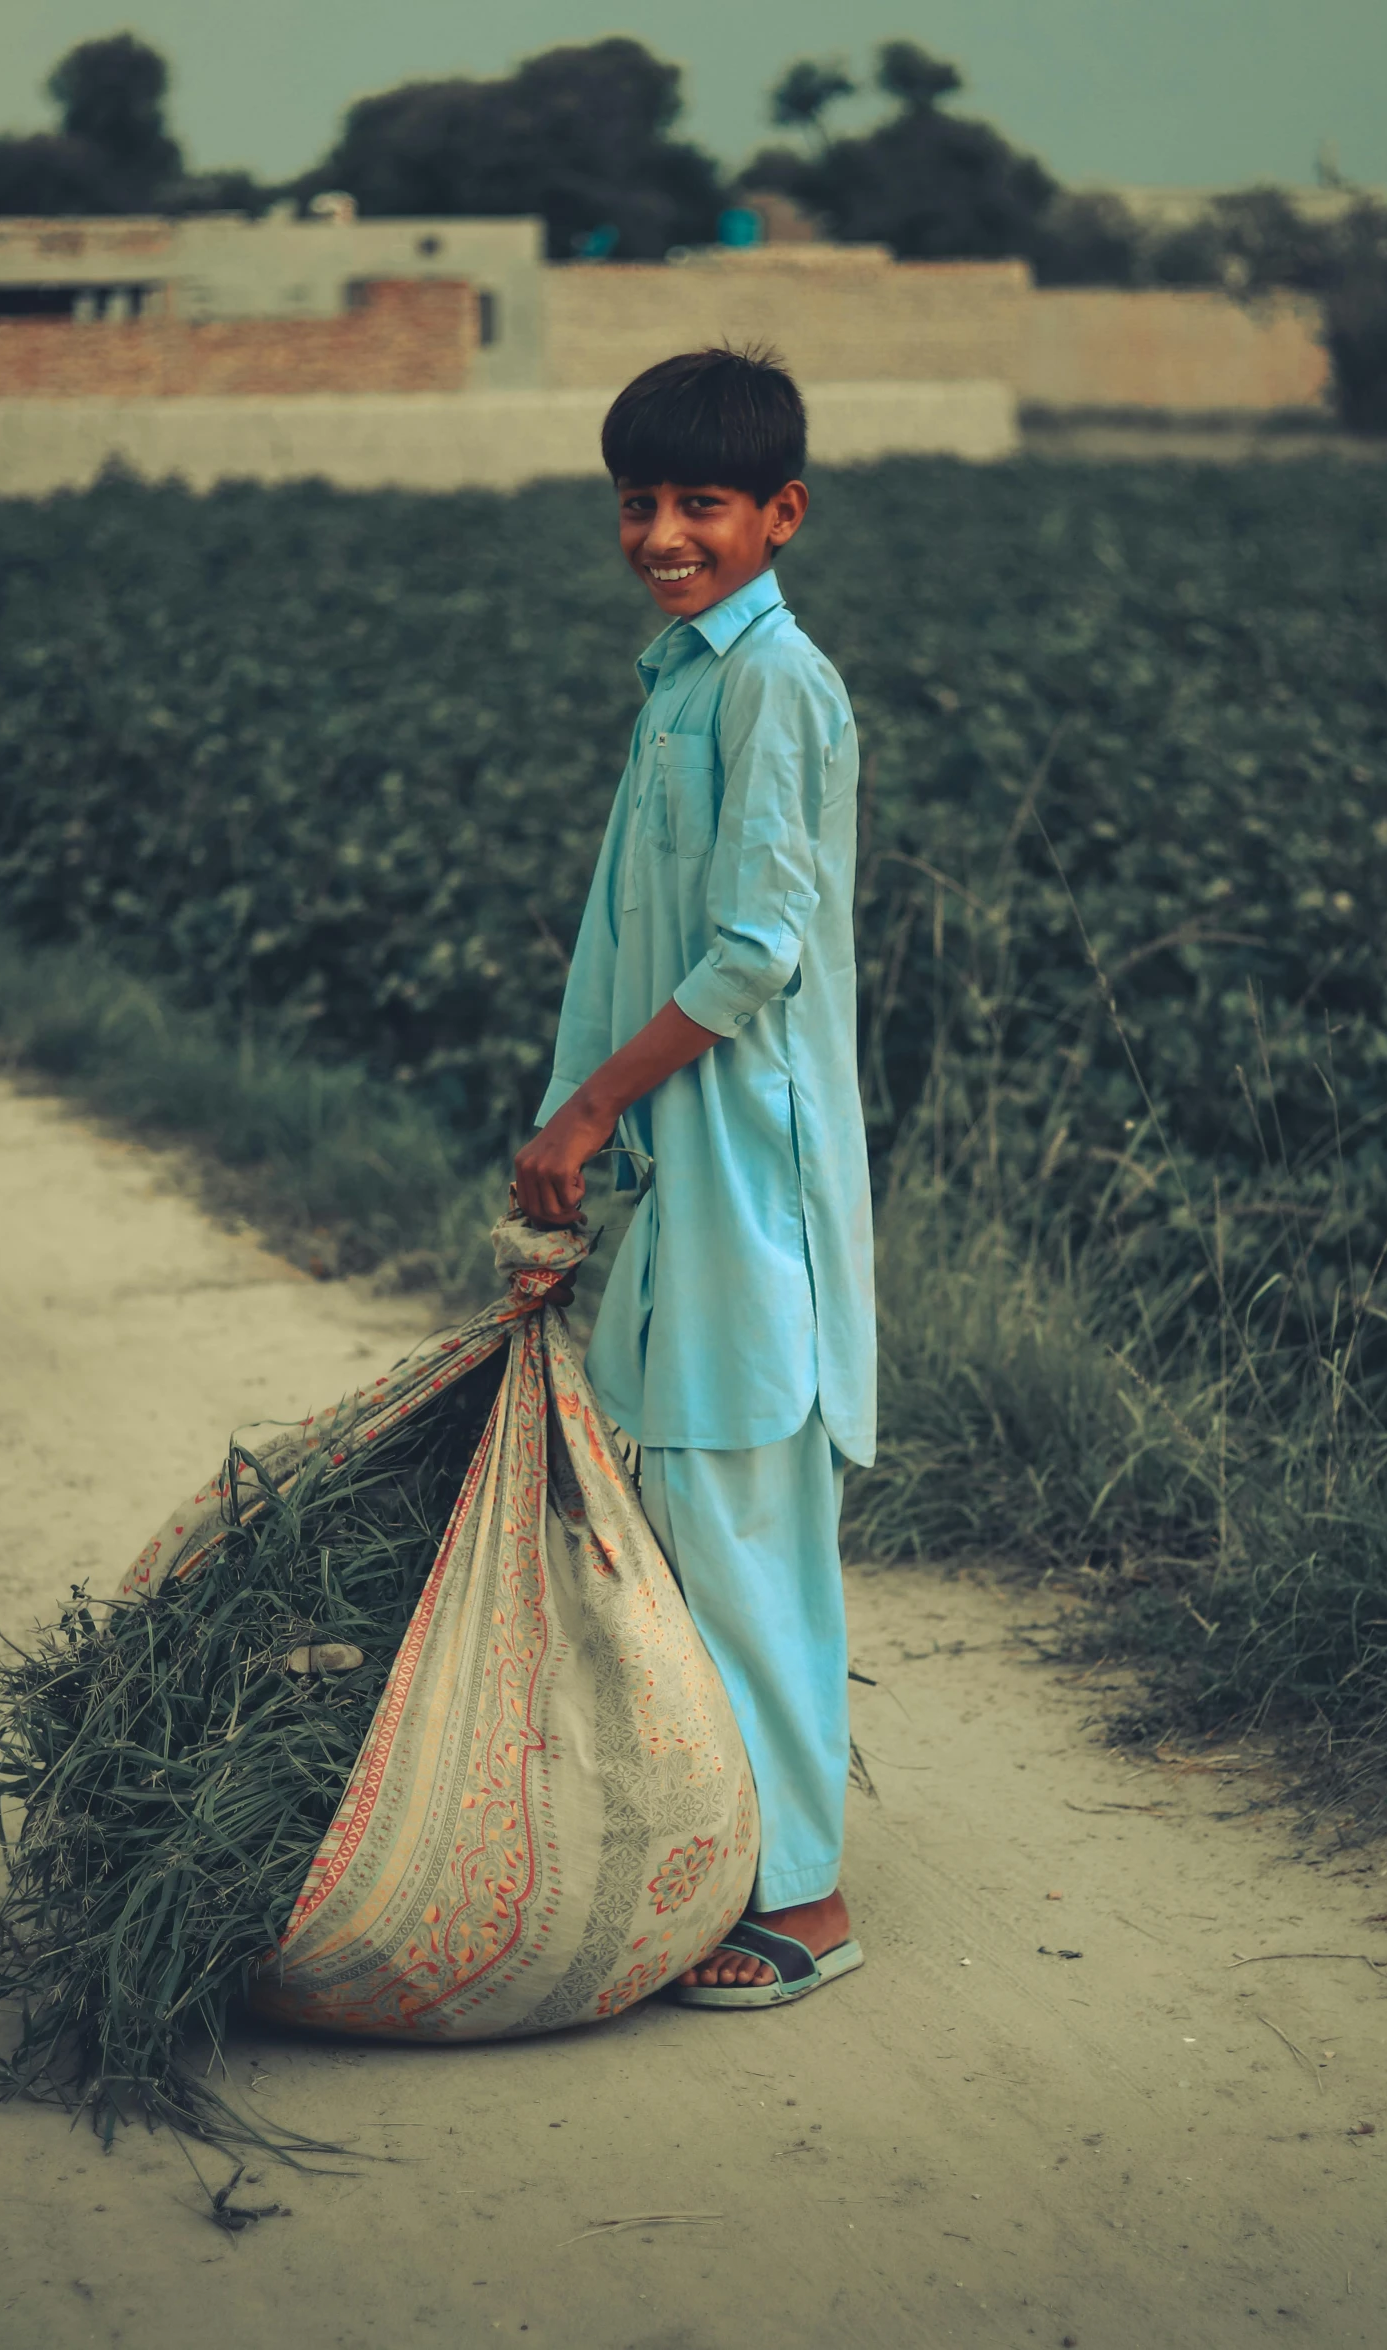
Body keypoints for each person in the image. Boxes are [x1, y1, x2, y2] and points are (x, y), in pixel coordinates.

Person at [513, 346, 875, 2007]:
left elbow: (748, 959)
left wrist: (591, 1111)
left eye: (702, 503)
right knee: (679, 1510)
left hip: (750, 1179)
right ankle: (718, 1855)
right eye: (639, 501)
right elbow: (620, 935)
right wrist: (570, 1120)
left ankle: (802, 1899)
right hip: (678, 1165)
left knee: (745, 1529)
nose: (664, 530)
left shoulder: (772, 684)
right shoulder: (677, 678)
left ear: (779, 515)